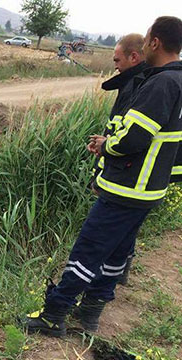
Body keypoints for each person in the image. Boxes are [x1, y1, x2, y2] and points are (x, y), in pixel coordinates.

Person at [24, 16, 182, 337]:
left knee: (89, 248)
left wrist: (105, 145)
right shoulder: (178, 81)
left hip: (128, 185)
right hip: (149, 188)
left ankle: (54, 314)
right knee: (116, 251)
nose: (145, 44)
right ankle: (91, 311)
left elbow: (135, 138)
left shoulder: (161, 83)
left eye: (147, 39)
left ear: (154, 43)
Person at [86, 34, 146, 287]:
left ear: (134, 57)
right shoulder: (141, 82)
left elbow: (126, 137)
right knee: (128, 228)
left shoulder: (138, 85)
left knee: (101, 236)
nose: (115, 65)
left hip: (123, 178)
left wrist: (101, 163)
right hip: (141, 181)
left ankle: (99, 284)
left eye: (117, 60)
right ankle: (119, 273)